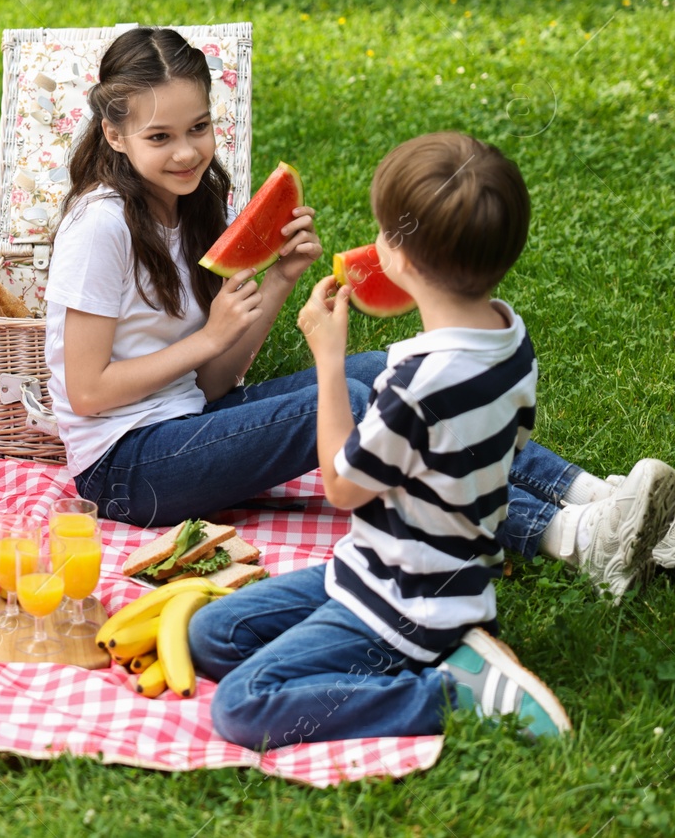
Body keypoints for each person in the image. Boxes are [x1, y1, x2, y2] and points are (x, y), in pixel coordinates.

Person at [44, 27, 675, 600]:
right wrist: (209, 338)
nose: (188, 151)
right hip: (125, 470)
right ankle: (572, 541)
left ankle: (612, 504)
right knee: (365, 404)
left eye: (199, 127)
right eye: (160, 136)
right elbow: (88, 390)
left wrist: (280, 278)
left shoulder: (192, 203)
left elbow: (214, 385)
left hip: (189, 420)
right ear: (115, 132)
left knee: (391, 370)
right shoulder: (99, 229)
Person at [191, 132, 573, 746]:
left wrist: (329, 358)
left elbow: (341, 485)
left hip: (404, 603)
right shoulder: (510, 339)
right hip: (404, 573)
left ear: (404, 261)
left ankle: (450, 694)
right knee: (210, 635)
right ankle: (448, 654)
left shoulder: (418, 384)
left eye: (386, 233)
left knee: (241, 706)